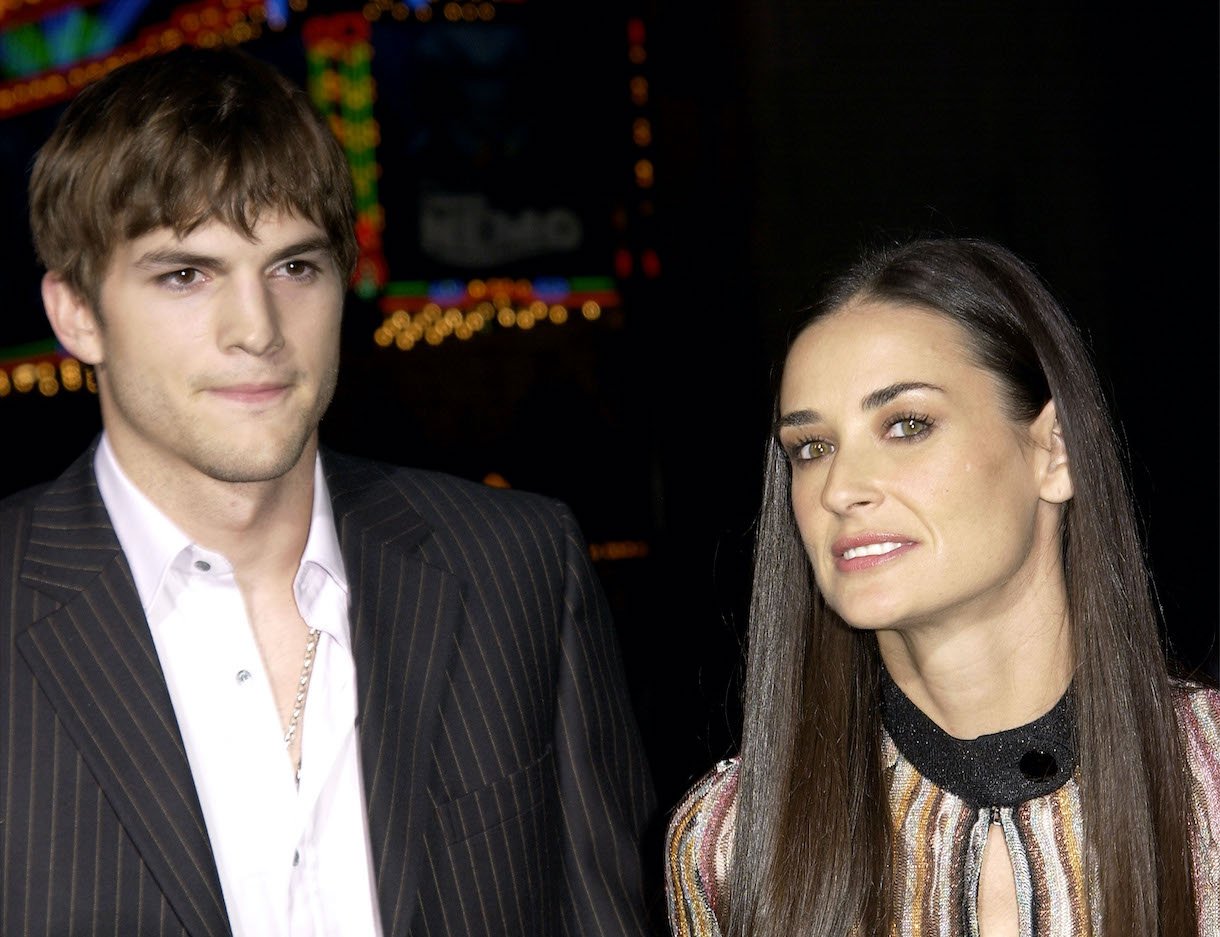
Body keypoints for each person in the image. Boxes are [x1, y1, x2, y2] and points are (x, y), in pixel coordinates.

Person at [2, 46, 656, 937]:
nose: (257, 329)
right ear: (77, 312)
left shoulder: (518, 567)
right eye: (186, 274)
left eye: (294, 267)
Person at [664, 236, 1220, 937]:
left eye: (906, 424)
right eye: (812, 447)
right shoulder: (731, 842)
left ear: (1055, 452)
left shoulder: (1209, 783)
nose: (840, 488)